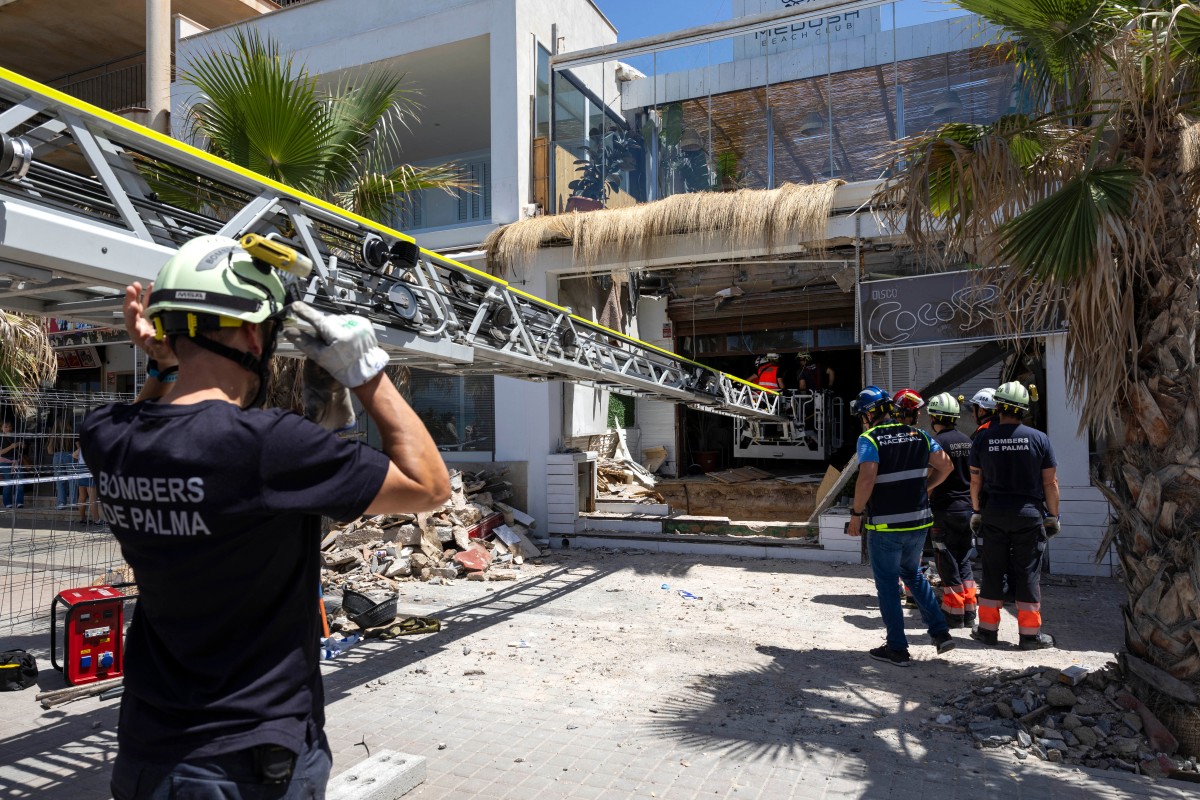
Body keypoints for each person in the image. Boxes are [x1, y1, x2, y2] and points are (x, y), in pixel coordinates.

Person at [79, 235, 450, 800]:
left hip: (147, 752)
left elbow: (151, 412)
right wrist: (367, 371)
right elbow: (430, 486)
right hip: (246, 761)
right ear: (253, 332)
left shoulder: (108, 436)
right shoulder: (269, 448)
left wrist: (165, 368)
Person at [846, 385, 956, 666]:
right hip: (918, 523)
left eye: (862, 415)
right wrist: (925, 487)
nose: (862, 421)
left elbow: (867, 478)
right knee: (913, 574)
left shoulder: (869, 439)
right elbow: (946, 467)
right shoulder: (920, 435)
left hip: (886, 528)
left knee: (887, 584)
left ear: (870, 414)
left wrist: (856, 513)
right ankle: (940, 632)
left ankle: (897, 648)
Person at [968, 381, 1059, 650]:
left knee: (993, 570)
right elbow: (1050, 483)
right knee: (1028, 572)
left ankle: (987, 630)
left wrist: (976, 511)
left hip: (993, 514)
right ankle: (1029, 636)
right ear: (1024, 409)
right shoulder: (1039, 439)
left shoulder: (983, 437)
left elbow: (975, 482)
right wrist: (1053, 516)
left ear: (998, 406)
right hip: (1029, 517)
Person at [926, 393, 977, 629]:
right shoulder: (968, 441)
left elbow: (929, 476)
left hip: (944, 509)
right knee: (964, 558)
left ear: (935, 417)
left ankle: (954, 613)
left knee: (946, 560)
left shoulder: (936, 444)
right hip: (967, 509)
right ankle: (969, 610)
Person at [47, 414, 76, 509]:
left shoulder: (53, 435)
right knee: (73, 481)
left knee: (60, 481)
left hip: (57, 456)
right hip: (70, 456)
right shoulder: (72, 433)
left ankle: (61, 503)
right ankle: (73, 503)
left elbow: (49, 451)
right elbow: (79, 447)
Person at [0, 418, 25, 508]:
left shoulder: (15, 436)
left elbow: (24, 447)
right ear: (1, 428)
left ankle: (19, 502)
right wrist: (11, 447)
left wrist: (21, 444)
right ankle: (7, 503)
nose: (8, 428)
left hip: (16, 461)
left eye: (9, 426)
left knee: (20, 481)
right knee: (8, 483)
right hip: (4, 462)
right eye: (5, 427)